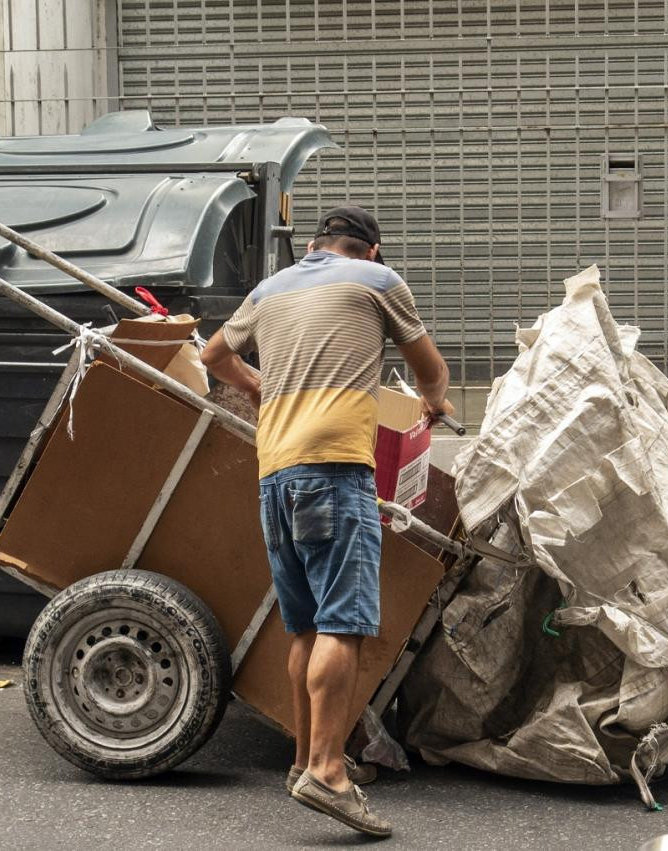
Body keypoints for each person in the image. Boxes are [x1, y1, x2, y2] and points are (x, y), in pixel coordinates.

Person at [200, 206, 453, 838]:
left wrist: (258, 386)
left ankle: (303, 761)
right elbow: (430, 368)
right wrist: (433, 402)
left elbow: (212, 355)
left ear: (314, 245)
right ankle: (329, 770)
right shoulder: (378, 280)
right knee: (344, 623)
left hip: (276, 474)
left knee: (306, 627)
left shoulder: (269, 288)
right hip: (335, 470)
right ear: (369, 251)